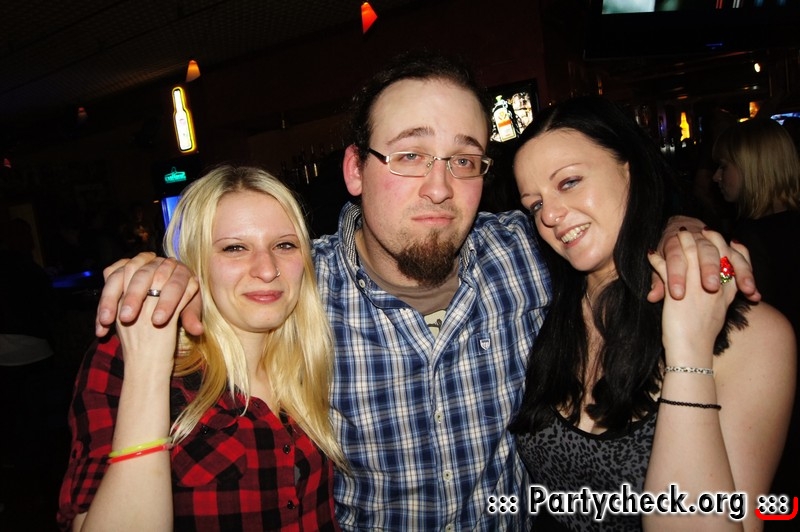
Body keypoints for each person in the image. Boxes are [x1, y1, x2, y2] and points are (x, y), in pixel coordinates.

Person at [92, 51, 759, 530]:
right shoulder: (293, 286)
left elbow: (608, 226)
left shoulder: (529, 252)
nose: (440, 188)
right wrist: (166, 277)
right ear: (355, 170)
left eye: (464, 160)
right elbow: (217, 287)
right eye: (409, 155)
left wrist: (679, 233)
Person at [510, 95, 795, 530]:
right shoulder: (541, 310)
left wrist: (689, 353)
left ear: (630, 170)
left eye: (569, 182)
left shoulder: (752, 335)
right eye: (534, 204)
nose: (548, 215)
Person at [58, 166, 345, 531]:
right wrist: (148, 366)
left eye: (284, 245)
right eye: (235, 248)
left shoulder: (314, 355)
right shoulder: (130, 357)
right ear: (194, 261)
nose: (267, 269)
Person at [711, 117, 800, 505]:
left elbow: (727, 305)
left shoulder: (745, 244)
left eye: (724, 166)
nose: (716, 177)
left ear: (753, 168)